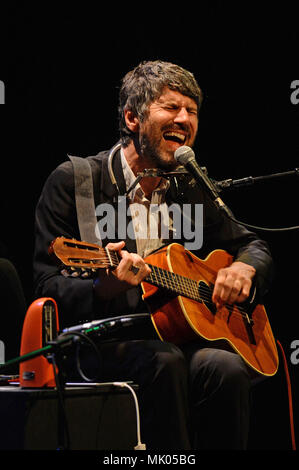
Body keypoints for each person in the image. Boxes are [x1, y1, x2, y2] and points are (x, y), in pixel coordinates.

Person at [33, 60, 274, 450]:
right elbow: (46, 284)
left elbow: (253, 245)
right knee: (164, 361)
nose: (184, 119)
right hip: (100, 345)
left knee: (227, 367)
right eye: (171, 107)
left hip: (176, 338)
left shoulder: (190, 185)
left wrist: (245, 268)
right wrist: (102, 286)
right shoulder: (76, 181)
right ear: (132, 117)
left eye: (191, 111)